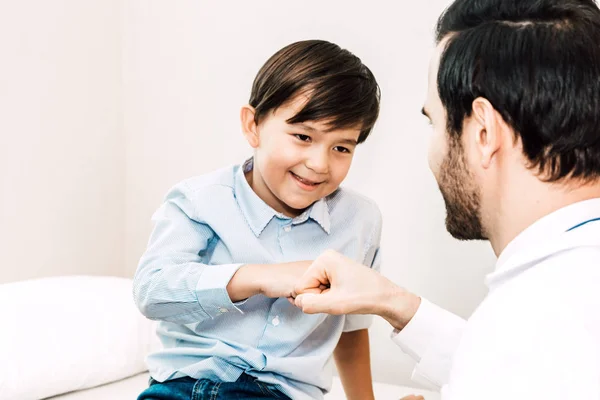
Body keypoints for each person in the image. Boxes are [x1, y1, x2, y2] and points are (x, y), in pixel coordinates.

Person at [293, 1, 600, 399]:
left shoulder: (536, 310)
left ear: (483, 133)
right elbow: (522, 366)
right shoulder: (559, 303)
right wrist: (392, 301)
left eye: (433, 122)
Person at [133, 39, 382, 400]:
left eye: (341, 147)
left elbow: (351, 326)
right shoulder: (199, 201)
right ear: (253, 126)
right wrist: (257, 277)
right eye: (302, 136)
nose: (320, 163)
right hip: (183, 386)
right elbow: (152, 290)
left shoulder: (360, 221)